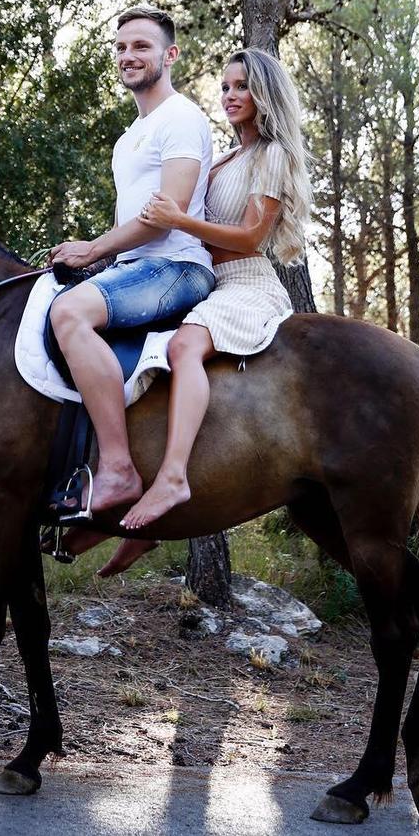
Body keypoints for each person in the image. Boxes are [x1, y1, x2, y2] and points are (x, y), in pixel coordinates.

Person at [119, 47, 312, 530]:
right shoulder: (225, 158)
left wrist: (178, 220)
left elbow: (250, 236)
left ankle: (173, 479)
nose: (230, 95)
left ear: (265, 94)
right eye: (225, 86)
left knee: (184, 347)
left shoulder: (272, 155)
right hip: (208, 282)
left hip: (247, 283)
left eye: (242, 86)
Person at [48, 6, 215, 521]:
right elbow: (133, 223)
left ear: (170, 55)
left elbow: (167, 216)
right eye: (121, 47)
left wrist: (94, 249)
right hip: (137, 266)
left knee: (69, 313)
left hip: (178, 267)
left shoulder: (181, 118)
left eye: (141, 46)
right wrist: (96, 255)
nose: (128, 56)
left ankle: (118, 468)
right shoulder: (128, 138)